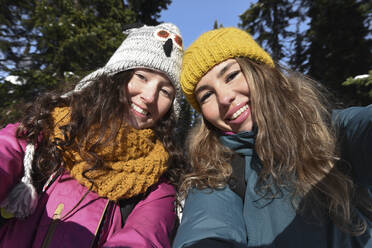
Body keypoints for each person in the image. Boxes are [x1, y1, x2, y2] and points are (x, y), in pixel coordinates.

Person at [173, 27, 372, 248]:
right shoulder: (217, 172)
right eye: (207, 95)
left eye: (231, 75)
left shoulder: (327, 130)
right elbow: (205, 227)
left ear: (259, 71)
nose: (224, 98)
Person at [0, 22, 186, 248]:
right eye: (141, 76)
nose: (149, 96)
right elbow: (6, 150)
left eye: (165, 90)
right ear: (116, 76)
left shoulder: (157, 188)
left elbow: (142, 239)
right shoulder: (49, 127)